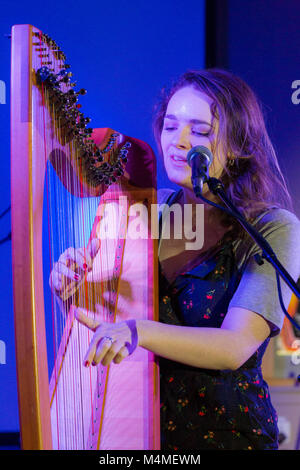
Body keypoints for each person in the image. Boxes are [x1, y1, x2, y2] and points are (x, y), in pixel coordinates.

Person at [50, 69, 300, 450]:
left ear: (237, 145)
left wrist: (139, 331)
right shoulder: (142, 212)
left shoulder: (273, 228)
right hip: (145, 433)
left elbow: (234, 347)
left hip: (227, 435)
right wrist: (71, 288)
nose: (178, 142)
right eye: (170, 126)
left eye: (200, 132)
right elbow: (106, 325)